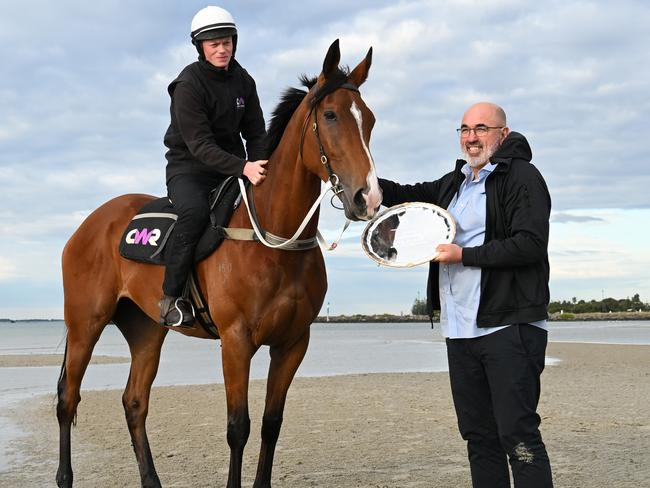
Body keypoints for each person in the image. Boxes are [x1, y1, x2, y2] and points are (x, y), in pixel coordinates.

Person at [379, 102, 553, 487]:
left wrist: (464, 255)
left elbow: (530, 244)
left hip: (510, 325)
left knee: (518, 435)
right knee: (479, 437)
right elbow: (410, 197)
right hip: (460, 330)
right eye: (464, 129)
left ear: (502, 134)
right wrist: (363, 180)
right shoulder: (454, 182)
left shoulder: (522, 177)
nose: (471, 137)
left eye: (481, 128)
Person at [159, 6, 268, 327]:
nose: (221, 50)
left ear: (234, 42)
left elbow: (256, 133)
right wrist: (244, 168)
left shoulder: (244, 80)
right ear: (200, 47)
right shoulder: (187, 85)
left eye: (226, 42)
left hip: (234, 169)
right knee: (193, 214)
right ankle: (171, 298)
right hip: (189, 169)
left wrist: (261, 165)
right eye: (213, 44)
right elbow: (200, 146)